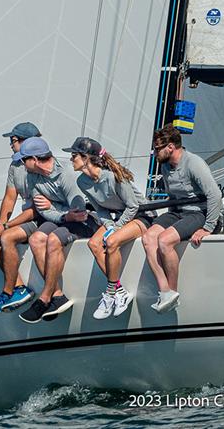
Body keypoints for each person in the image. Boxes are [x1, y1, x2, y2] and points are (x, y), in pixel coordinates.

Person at [65, 137, 154, 320]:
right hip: (119, 219)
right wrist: (111, 226)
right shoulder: (82, 182)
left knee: (111, 241)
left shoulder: (113, 175)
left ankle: (110, 292)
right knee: (94, 244)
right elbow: (100, 209)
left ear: (86, 158)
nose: (71, 159)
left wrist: (116, 228)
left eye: (74, 155)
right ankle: (119, 291)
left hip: (141, 217)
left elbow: (133, 206)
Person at [15, 137, 101, 323]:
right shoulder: (32, 177)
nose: (21, 164)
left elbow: (78, 212)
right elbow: (44, 211)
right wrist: (62, 214)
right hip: (63, 219)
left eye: (24, 160)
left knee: (53, 240)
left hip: (83, 222)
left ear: (35, 160)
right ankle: (57, 295)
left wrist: (56, 208)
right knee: (36, 239)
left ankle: (44, 298)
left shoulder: (66, 175)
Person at [141, 125, 222, 314]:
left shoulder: (193, 163)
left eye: (157, 148)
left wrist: (208, 227)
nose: (154, 153)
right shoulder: (165, 166)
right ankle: (165, 291)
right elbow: (173, 196)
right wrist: (169, 222)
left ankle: (173, 291)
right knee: (148, 237)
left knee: (164, 241)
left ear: (170, 147)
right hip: (178, 211)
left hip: (198, 212)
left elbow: (215, 195)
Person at [0, 122, 42, 313]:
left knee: (7, 236)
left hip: (41, 218)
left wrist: (6, 227)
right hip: (27, 218)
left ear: (27, 142)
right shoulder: (15, 166)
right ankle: (19, 287)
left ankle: (7, 293)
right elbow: (9, 197)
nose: (10, 145)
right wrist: (0, 224)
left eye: (13, 140)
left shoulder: (38, 163)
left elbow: (37, 209)